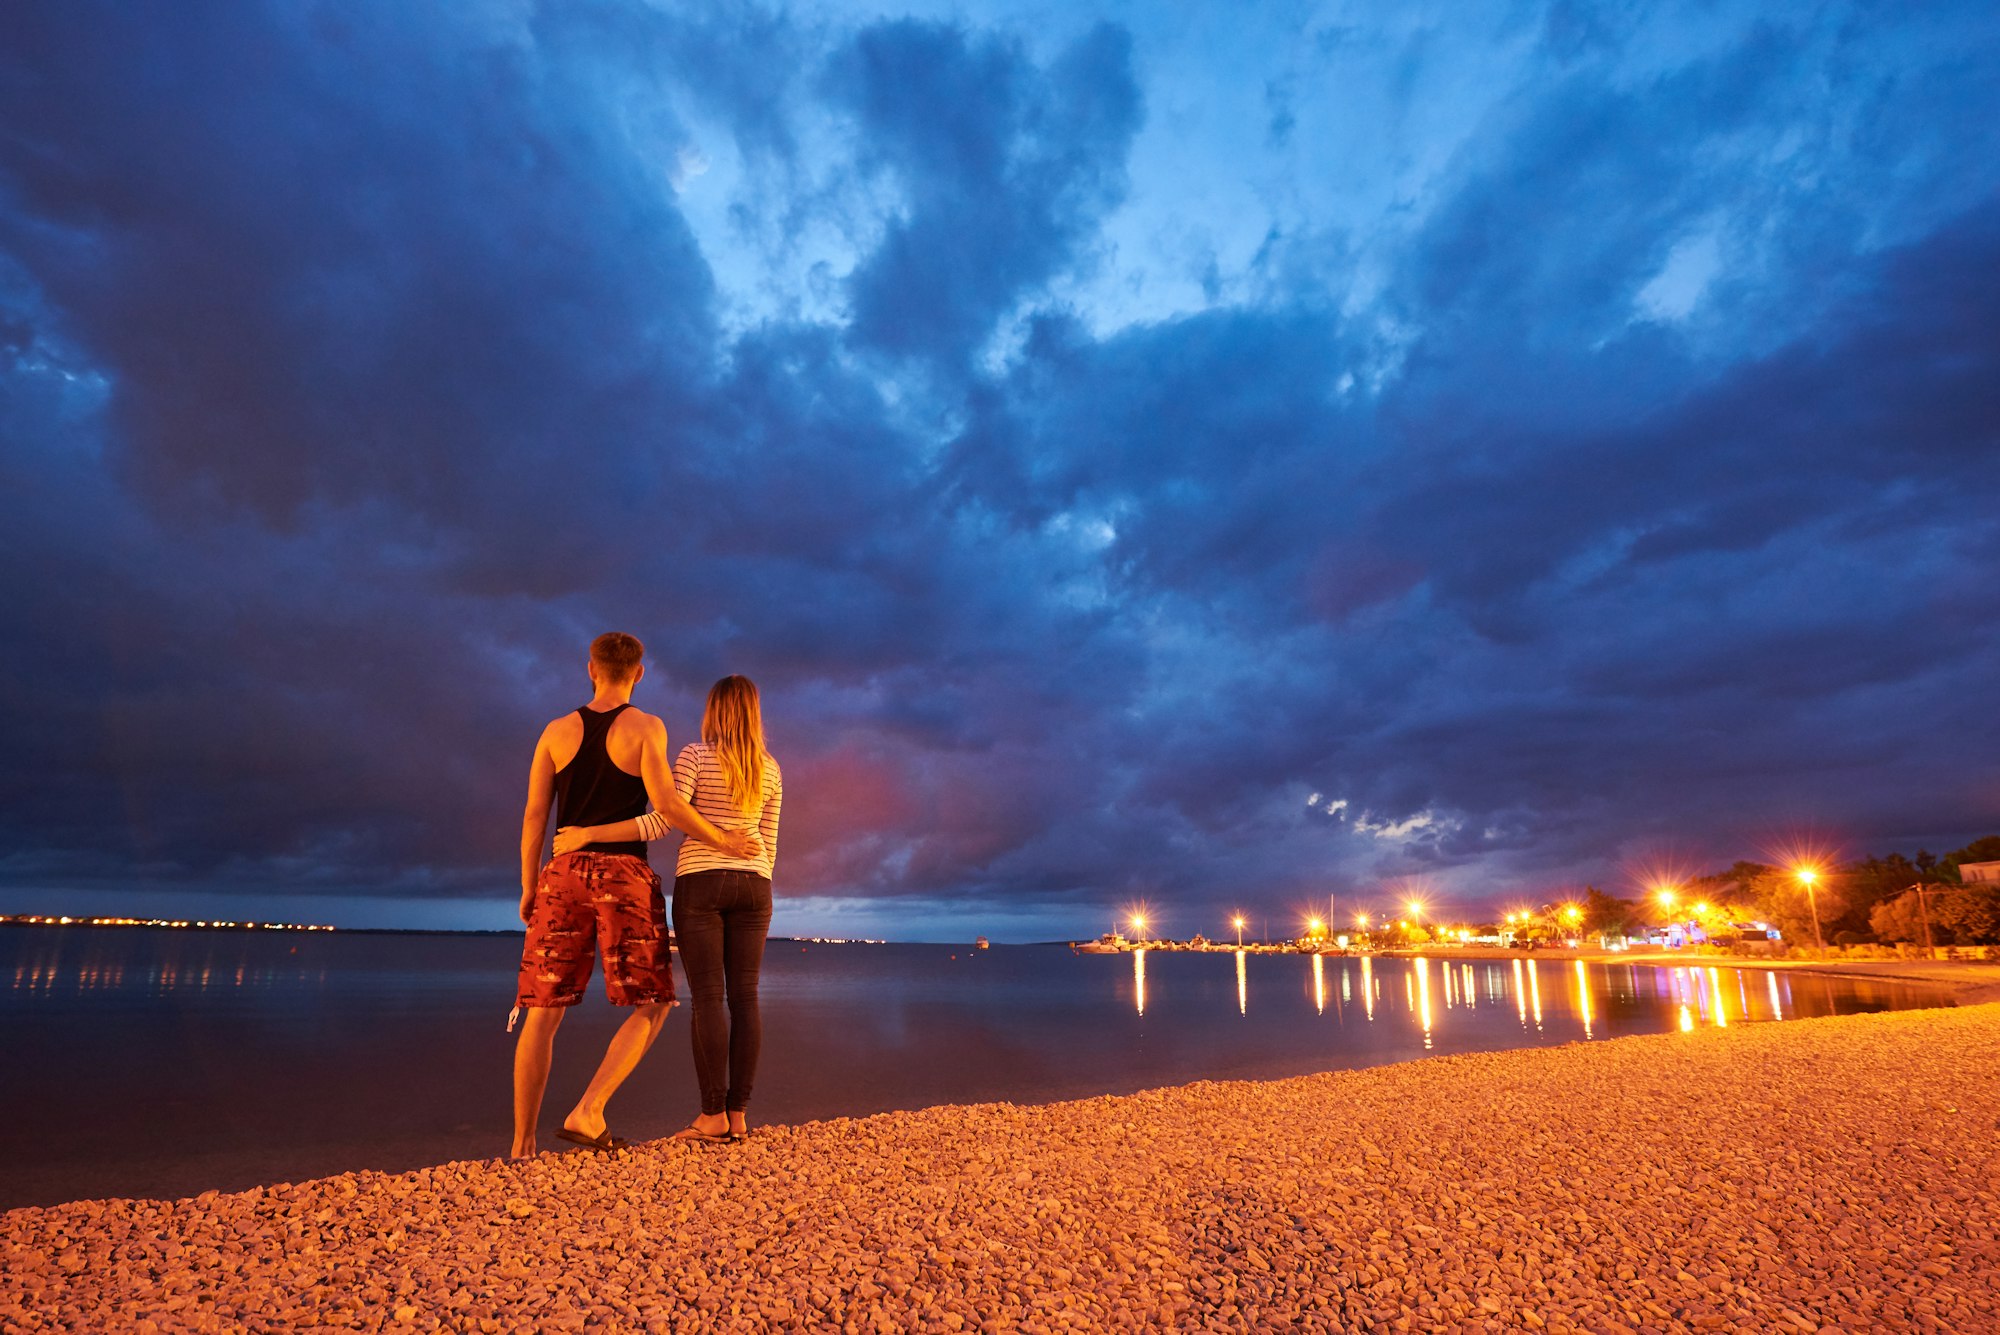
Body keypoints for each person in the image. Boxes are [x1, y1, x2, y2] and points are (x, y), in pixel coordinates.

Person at [511, 634, 761, 1159]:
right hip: (623, 877)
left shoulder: (555, 732)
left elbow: (535, 816)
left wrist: (530, 884)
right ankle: (590, 1108)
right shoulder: (647, 727)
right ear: (639, 674)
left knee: (543, 1009)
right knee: (654, 1002)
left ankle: (523, 1145)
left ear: (591, 670)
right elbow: (667, 805)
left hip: (562, 874)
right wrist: (724, 839)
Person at [555, 674, 781, 1145]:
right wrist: (757, 879)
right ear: (754, 713)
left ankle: (712, 1117)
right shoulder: (771, 768)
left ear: (714, 711)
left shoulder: (696, 755)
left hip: (702, 882)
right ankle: (739, 1117)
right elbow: (771, 842)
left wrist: (587, 833)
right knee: (745, 998)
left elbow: (660, 819)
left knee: (708, 999)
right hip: (756, 886)